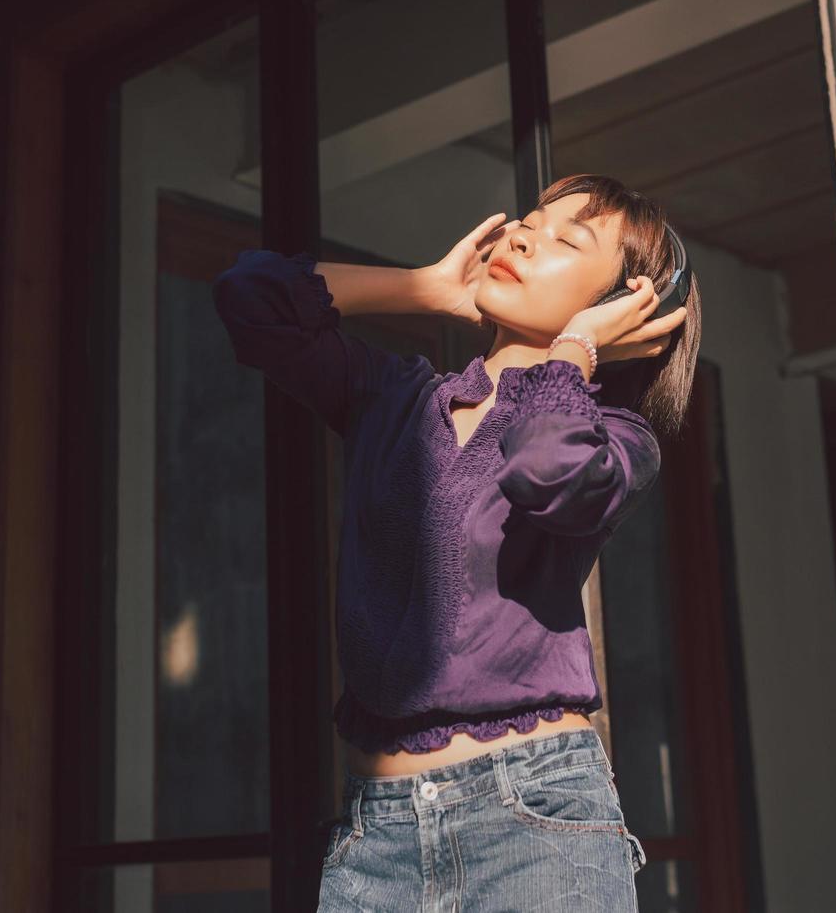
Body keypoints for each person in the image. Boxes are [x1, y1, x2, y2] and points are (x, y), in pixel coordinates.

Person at [212, 173, 701, 910]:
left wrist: (574, 352)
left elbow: (547, 469)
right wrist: (424, 289)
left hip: (535, 822)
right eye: (531, 220)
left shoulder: (618, 440)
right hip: (372, 840)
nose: (525, 235)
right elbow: (250, 297)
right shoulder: (398, 397)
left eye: (569, 239)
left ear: (624, 309)